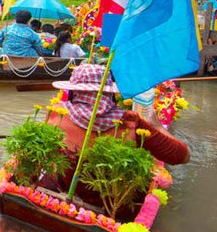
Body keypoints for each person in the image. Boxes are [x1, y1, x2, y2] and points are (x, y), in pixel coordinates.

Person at [40, 64, 189, 209]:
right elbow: (182, 156)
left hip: (65, 189)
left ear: (73, 92)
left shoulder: (56, 112)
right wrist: (157, 125)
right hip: (113, 204)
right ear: (110, 94)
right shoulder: (131, 123)